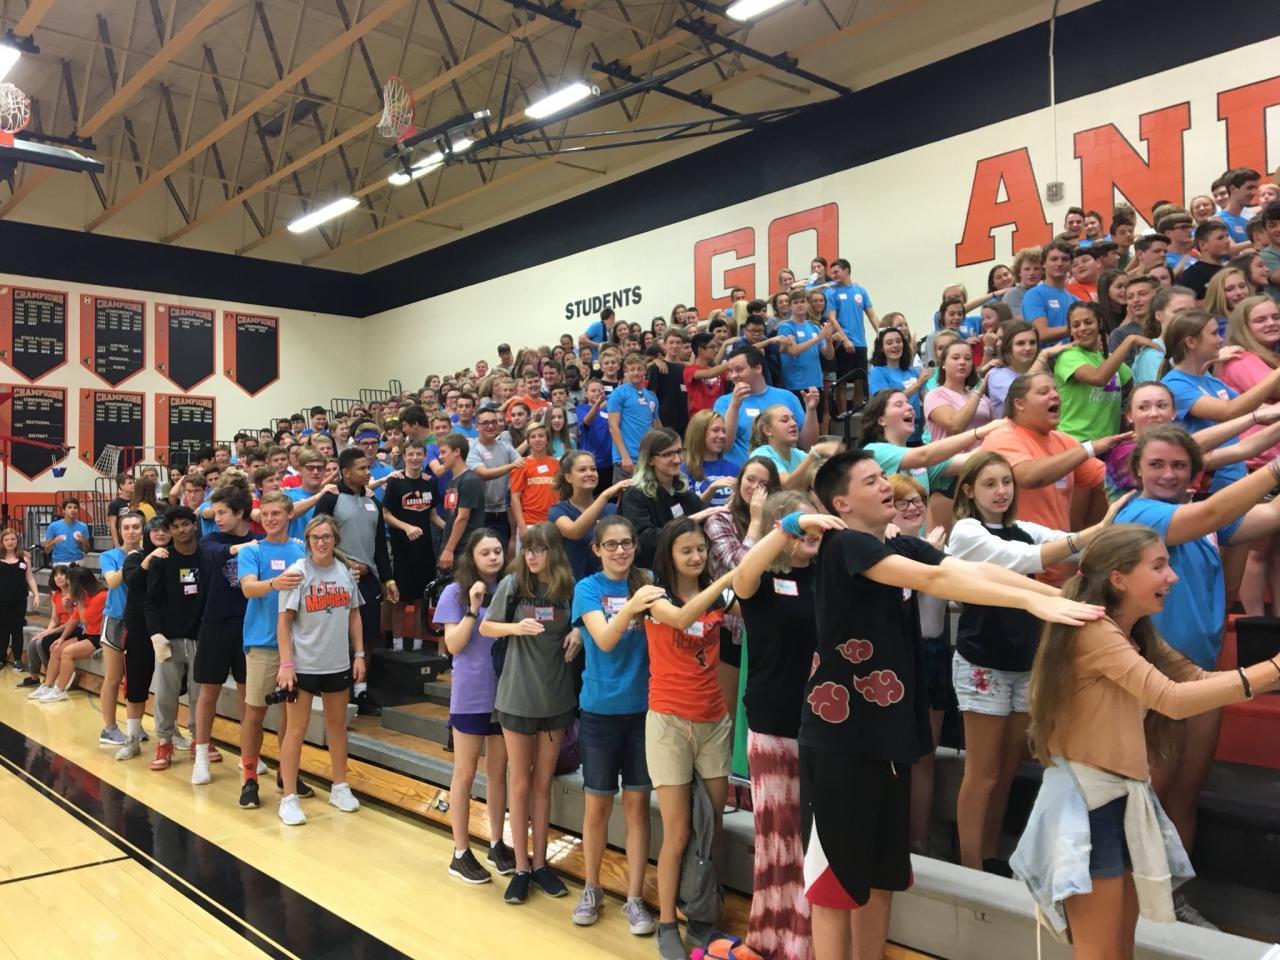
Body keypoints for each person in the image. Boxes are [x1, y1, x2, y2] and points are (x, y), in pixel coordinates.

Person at [799, 450, 1101, 960]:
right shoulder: (844, 545)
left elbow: (972, 569)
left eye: (882, 476)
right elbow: (936, 581)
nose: (885, 485)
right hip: (841, 741)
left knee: (881, 877)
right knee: (836, 884)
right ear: (842, 503)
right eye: (870, 481)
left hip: (890, 735)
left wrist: (1046, 595)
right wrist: (1030, 601)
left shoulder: (897, 543)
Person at [1014, 525, 1280, 955]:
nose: (1171, 577)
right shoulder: (1095, 632)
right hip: (1086, 805)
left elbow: (1197, 680)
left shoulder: (1135, 631)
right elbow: (1170, 699)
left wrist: (1267, 674)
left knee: (1120, 950)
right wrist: (1272, 671)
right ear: (1118, 578)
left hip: (1122, 799)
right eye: (1158, 566)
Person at [1116, 428, 1280, 922]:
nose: (1168, 474)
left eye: (1179, 465)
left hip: (1201, 677)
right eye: (1157, 464)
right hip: (1153, 679)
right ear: (1137, 470)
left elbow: (1268, 515)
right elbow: (1208, 516)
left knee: (1184, 794)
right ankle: (1128, 909)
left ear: (1193, 472)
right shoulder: (1138, 514)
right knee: (1150, 800)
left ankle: (1171, 902)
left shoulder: (1201, 516)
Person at [946, 452, 1127, 873]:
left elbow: (1071, 544)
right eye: (989, 483)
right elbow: (1028, 558)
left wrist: (1109, 531)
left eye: (1006, 482)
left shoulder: (1023, 528)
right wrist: (1096, 529)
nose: (1001, 491)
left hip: (1025, 659)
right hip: (983, 661)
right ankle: (969, 866)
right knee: (983, 773)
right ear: (968, 490)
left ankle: (990, 854)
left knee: (1009, 768)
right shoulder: (966, 531)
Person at [733, 490, 830, 960]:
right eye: (800, 526)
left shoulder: (826, 578)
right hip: (773, 723)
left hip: (823, 727)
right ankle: (773, 940)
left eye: (815, 525)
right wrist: (787, 527)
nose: (811, 533)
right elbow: (742, 573)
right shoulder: (761, 582)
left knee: (813, 844)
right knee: (779, 841)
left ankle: (806, 943)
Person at [643, 517, 741, 959]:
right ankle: (667, 921)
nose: (697, 556)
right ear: (669, 555)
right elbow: (683, 617)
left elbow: (755, 606)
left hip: (713, 721)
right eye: (687, 550)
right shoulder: (652, 596)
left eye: (701, 549)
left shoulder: (719, 594)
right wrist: (723, 584)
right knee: (678, 832)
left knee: (713, 826)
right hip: (668, 724)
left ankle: (704, 918)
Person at [479, 524, 579, 903]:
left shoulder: (568, 587)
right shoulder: (513, 583)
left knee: (542, 783)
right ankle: (521, 866)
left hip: (556, 697)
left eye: (540, 549)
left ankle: (540, 865)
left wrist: (579, 632)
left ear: (554, 552)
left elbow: (584, 622)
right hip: (517, 696)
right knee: (519, 782)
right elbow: (486, 627)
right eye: (528, 549)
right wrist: (515, 627)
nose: (533, 556)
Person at [570, 515, 659, 935]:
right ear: (597, 550)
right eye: (611, 544)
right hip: (599, 711)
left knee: (638, 808)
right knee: (598, 807)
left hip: (644, 712)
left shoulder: (649, 581)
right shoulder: (587, 589)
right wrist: (636, 605)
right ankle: (592, 887)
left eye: (626, 543)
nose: (620, 551)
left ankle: (635, 898)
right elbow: (604, 640)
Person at [981, 374, 1125, 583]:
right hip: (1018, 573)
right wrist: (1090, 448)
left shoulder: (1063, 441)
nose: (1055, 395)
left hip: (1060, 566)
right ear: (1019, 404)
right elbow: (1028, 476)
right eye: (1043, 392)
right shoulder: (1002, 436)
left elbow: (1108, 479)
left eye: (1055, 390)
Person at [434, 528, 515, 883]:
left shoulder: (510, 589)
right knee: (465, 773)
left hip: (505, 691)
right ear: (472, 557)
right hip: (471, 693)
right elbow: (453, 644)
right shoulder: (455, 592)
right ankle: (460, 851)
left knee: (499, 771)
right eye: (486, 552)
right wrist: (473, 608)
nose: (494, 557)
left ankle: (497, 842)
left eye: (498, 551)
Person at [275, 515, 365, 826]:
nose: (321, 542)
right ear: (308, 540)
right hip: (303, 666)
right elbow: (284, 623)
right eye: (315, 537)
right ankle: (289, 797)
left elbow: (354, 615)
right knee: (296, 729)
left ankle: (340, 787)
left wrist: (359, 655)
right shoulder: (297, 573)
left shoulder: (345, 572)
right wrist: (286, 664)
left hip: (337, 663)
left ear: (335, 539)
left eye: (326, 537)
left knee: (337, 726)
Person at [313, 447, 398, 716]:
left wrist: (388, 578)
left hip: (368, 579)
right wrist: (345, 563)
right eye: (361, 468)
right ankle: (330, 690)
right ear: (346, 472)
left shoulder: (374, 502)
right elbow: (316, 539)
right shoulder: (330, 499)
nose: (368, 472)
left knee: (368, 637)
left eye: (368, 467)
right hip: (334, 578)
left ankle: (360, 691)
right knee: (335, 637)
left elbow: (379, 545)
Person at [236, 491, 308, 809]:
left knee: (291, 716)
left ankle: (286, 773)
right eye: (265, 514)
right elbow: (248, 588)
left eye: (276, 513)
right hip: (262, 643)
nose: (269, 519)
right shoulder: (252, 550)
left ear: (289, 515)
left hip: (298, 645)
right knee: (254, 713)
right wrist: (274, 584)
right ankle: (249, 777)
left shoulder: (302, 550)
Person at [190, 483, 256, 787]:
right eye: (214, 513)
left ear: (240, 513)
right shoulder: (210, 540)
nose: (216, 518)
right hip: (214, 624)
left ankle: (248, 755)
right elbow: (216, 554)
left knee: (248, 696)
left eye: (222, 513)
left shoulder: (259, 542)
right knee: (208, 693)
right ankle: (201, 755)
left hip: (248, 626)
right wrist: (242, 549)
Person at [145, 506, 205, 770]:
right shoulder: (161, 560)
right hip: (168, 638)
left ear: (194, 525)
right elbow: (150, 602)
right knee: (165, 695)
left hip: (200, 638)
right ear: (169, 531)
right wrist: (155, 634)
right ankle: (164, 741)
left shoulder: (206, 556)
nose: (181, 530)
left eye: (185, 524)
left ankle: (200, 740)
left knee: (199, 695)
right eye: (175, 526)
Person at [1053, 302, 1152, 442]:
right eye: (1076, 325)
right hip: (1075, 442)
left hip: (1109, 442)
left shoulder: (1109, 359)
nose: (1082, 328)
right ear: (1070, 331)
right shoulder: (1068, 357)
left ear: (1099, 323)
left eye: (1088, 322)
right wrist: (1129, 341)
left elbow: (1135, 390)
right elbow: (1098, 378)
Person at [618, 428, 717, 569]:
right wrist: (689, 521)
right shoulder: (634, 496)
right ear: (650, 459)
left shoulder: (682, 492)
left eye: (679, 452)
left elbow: (707, 521)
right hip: (651, 572)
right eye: (668, 454)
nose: (677, 460)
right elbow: (644, 541)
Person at [111, 521, 168, 758]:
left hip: (168, 630)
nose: (160, 533)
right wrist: (149, 559)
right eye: (155, 530)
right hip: (138, 629)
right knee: (136, 686)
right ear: (148, 533)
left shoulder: (175, 557)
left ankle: (170, 735)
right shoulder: (135, 557)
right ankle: (132, 738)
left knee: (172, 687)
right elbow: (132, 581)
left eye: (165, 529)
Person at [381, 438, 439, 652]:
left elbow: (432, 515)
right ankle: (397, 646)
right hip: (402, 550)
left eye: (419, 454)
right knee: (400, 601)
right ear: (404, 457)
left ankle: (418, 645)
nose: (415, 458)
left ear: (424, 456)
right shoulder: (396, 482)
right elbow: (385, 514)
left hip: (424, 550)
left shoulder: (429, 483)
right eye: (411, 454)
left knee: (420, 600)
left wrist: (450, 528)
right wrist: (406, 527)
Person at [714, 346, 814, 465]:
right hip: (741, 472)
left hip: (784, 472)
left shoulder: (787, 397)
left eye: (739, 370)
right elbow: (724, 447)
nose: (733, 375)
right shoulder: (724, 402)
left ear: (758, 368)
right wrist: (734, 406)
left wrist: (811, 410)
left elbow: (807, 445)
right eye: (731, 371)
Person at [96, 513, 141, 746]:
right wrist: (130, 562)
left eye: (136, 527)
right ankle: (109, 728)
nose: (131, 531)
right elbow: (112, 581)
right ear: (120, 531)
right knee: (113, 677)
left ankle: (135, 725)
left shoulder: (148, 554)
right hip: (115, 620)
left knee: (137, 676)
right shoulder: (109, 556)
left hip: (140, 621)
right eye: (127, 527)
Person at [549, 450, 629, 580]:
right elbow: (575, 531)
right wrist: (605, 495)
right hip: (573, 584)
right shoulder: (558, 511)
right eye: (582, 470)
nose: (590, 473)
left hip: (608, 583)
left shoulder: (611, 509)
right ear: (568, 477)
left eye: (593, 469)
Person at [37, 566, 106, 703]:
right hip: (87, 634)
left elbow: (85, 620)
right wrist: (62, 638)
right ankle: (47, 685)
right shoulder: (85, 596)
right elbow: (74, 620)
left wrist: (78, 602)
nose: (69, 586)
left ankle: (60, 690)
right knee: (56, 648)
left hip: (99, 637)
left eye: (70, 583)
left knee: (67, 652)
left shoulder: (101, 596)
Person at [467, 406, 524, 547]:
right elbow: (483, 474)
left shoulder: (505, 446)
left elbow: (522, 464)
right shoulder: (472, 448)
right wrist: (511, 466)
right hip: (480, 512)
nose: (491, 426)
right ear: (477, 426)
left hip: (502, 510)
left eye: (494, 422)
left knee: (502, 547)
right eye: (485, 423)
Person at [923, 340, 994, 449]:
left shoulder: (982, 397)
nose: (962, 362)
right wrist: (979, 392)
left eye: (968, 358)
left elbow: (995, 426)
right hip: (952, 458)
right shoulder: (935, 395)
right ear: (943, 364)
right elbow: (955, 427)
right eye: (955, 358)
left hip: (984, 456)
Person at [748, 402, 833, 489]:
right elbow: (787, 486)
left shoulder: (798, 454)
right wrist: (815, 453)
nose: (793, 423)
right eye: (784, 420)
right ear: (767, 430)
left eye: (793, 419)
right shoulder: (761, 454)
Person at [607, 352, 661, 482]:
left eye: (639, 369)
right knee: (625, 494)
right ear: (626, 371)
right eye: (632, 369)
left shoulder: (651, 396)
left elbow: (657, 426)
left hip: (648, 458)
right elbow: (613, 426)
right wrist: (624, 456)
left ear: (645, 371)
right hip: (627, 460)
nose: (636, 373)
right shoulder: (618, 393)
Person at [1129, 285, 1197, 384]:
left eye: (1193, 312)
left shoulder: (1192, 349)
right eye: (1179, 312)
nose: (1188, 317)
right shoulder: (1152, 355)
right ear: (1159, 315)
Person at [868, 326, 925, 442]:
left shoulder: (912, 371)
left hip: (916, 430)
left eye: (898, 341)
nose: (895, 345)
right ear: (881, 348)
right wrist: (917, 384)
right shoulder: (877, 372)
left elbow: (924, 395)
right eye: (889, 343)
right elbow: (886, 401)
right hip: (893, 433)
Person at [438, 433, 485, 571]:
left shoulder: (469, 480)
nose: (440, 457)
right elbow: (451, 517)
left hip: (464, 548)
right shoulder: (451, 482)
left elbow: (462, 518)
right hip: (453, 547)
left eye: (443, 452)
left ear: (457, 451)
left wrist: (449, 549)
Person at [1021, 241, 1079, 345]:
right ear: (1043, 263)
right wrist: (1080, 328)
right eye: (1054, 259)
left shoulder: (1075, 299)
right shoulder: (1034, 295)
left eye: (1065, 259)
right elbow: (1041, 334)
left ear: (1071, 264)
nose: (1059, 263)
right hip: (1047, 355)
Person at [509, 422, 561, 535]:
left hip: (553, 522)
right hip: (529, 523)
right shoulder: (521, 465)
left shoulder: (557, 465)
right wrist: (521, 525)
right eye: (533, 437)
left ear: (547, 440)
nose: (537, 439)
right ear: (528, 441)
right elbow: (515, 498)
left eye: (541, 436)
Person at [682, 409, 741, 507]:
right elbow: (689, 510)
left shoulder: (735, 469)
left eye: (724, 431)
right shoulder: (684, 470)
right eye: (715, 430)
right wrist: (712, 489)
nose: (722, 436)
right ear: (699, 433)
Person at [43, 497, 91, 565]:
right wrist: (54, 542)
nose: (73, 510)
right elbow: (46, 550)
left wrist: (83, 541)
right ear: (63, 510)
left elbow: (86, 551)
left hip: (78, 562)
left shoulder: (83, 526)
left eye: (75, 507)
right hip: (59, 562)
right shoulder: (53, 526)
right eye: (69, 507)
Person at [107, 473, 134, 547]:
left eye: (133, 483)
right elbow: (112, 525)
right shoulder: (115, 503)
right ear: (122, 485)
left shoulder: (136, 501)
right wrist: (116, 543)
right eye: (130, 483)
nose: (133, 485)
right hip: (122, 540)